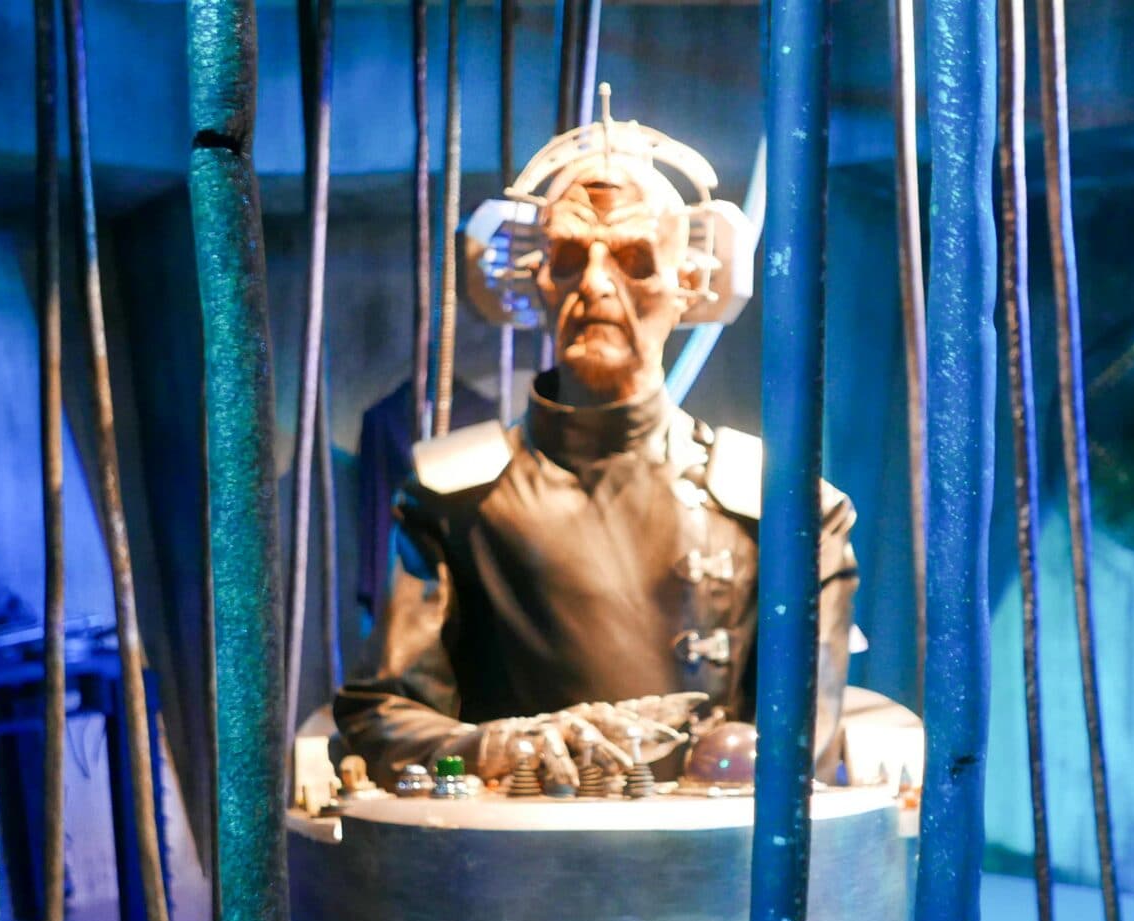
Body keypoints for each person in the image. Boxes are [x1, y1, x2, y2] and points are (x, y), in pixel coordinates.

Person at [334, 98, 857, 790]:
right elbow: (381, 717)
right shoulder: (453, 500)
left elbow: (802, 750)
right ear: (534, 277)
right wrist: (503, 747)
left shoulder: (785, 511)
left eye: (635, 259)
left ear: (690, 282)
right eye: (570, 256)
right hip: (515, 848)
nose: (597, 284)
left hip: (712, 851)